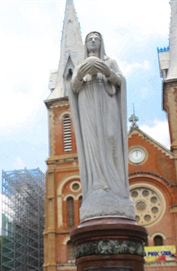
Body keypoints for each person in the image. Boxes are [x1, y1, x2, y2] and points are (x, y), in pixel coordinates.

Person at [65, 31, 134, 220]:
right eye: (89, 39)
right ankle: (98, 184)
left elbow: (120, 82)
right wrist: (81, 74)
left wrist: (106, 71)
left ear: (101, 42)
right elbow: (73, 88)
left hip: (107, 107)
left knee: (111, 139)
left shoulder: (110, 62)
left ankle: (115, 187)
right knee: (93, 146)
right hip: (88, 109)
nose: (93, 41)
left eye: (96, 39)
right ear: (85, 44)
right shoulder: (80, 65)